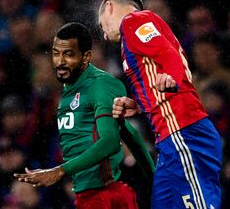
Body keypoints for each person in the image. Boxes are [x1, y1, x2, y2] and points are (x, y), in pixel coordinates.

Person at [98, 0, 222, 209]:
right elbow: (159, 69)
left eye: (101, 26)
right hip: (168, 139)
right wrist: (138, 104)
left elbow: (167, 54)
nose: (105, 35)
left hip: (183, 131)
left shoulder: (134, 20)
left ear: (109, 7)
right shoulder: (133, 36)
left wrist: (171, 77)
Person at [14, 22, 154, 209]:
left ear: (86, 56)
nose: (60, 61)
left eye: (69, 54)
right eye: (56, 54)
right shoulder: (67, 92)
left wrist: (60, 171)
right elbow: (126, 130)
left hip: (106, 195)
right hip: (84, 195)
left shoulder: (100, 85)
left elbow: (111, 141)